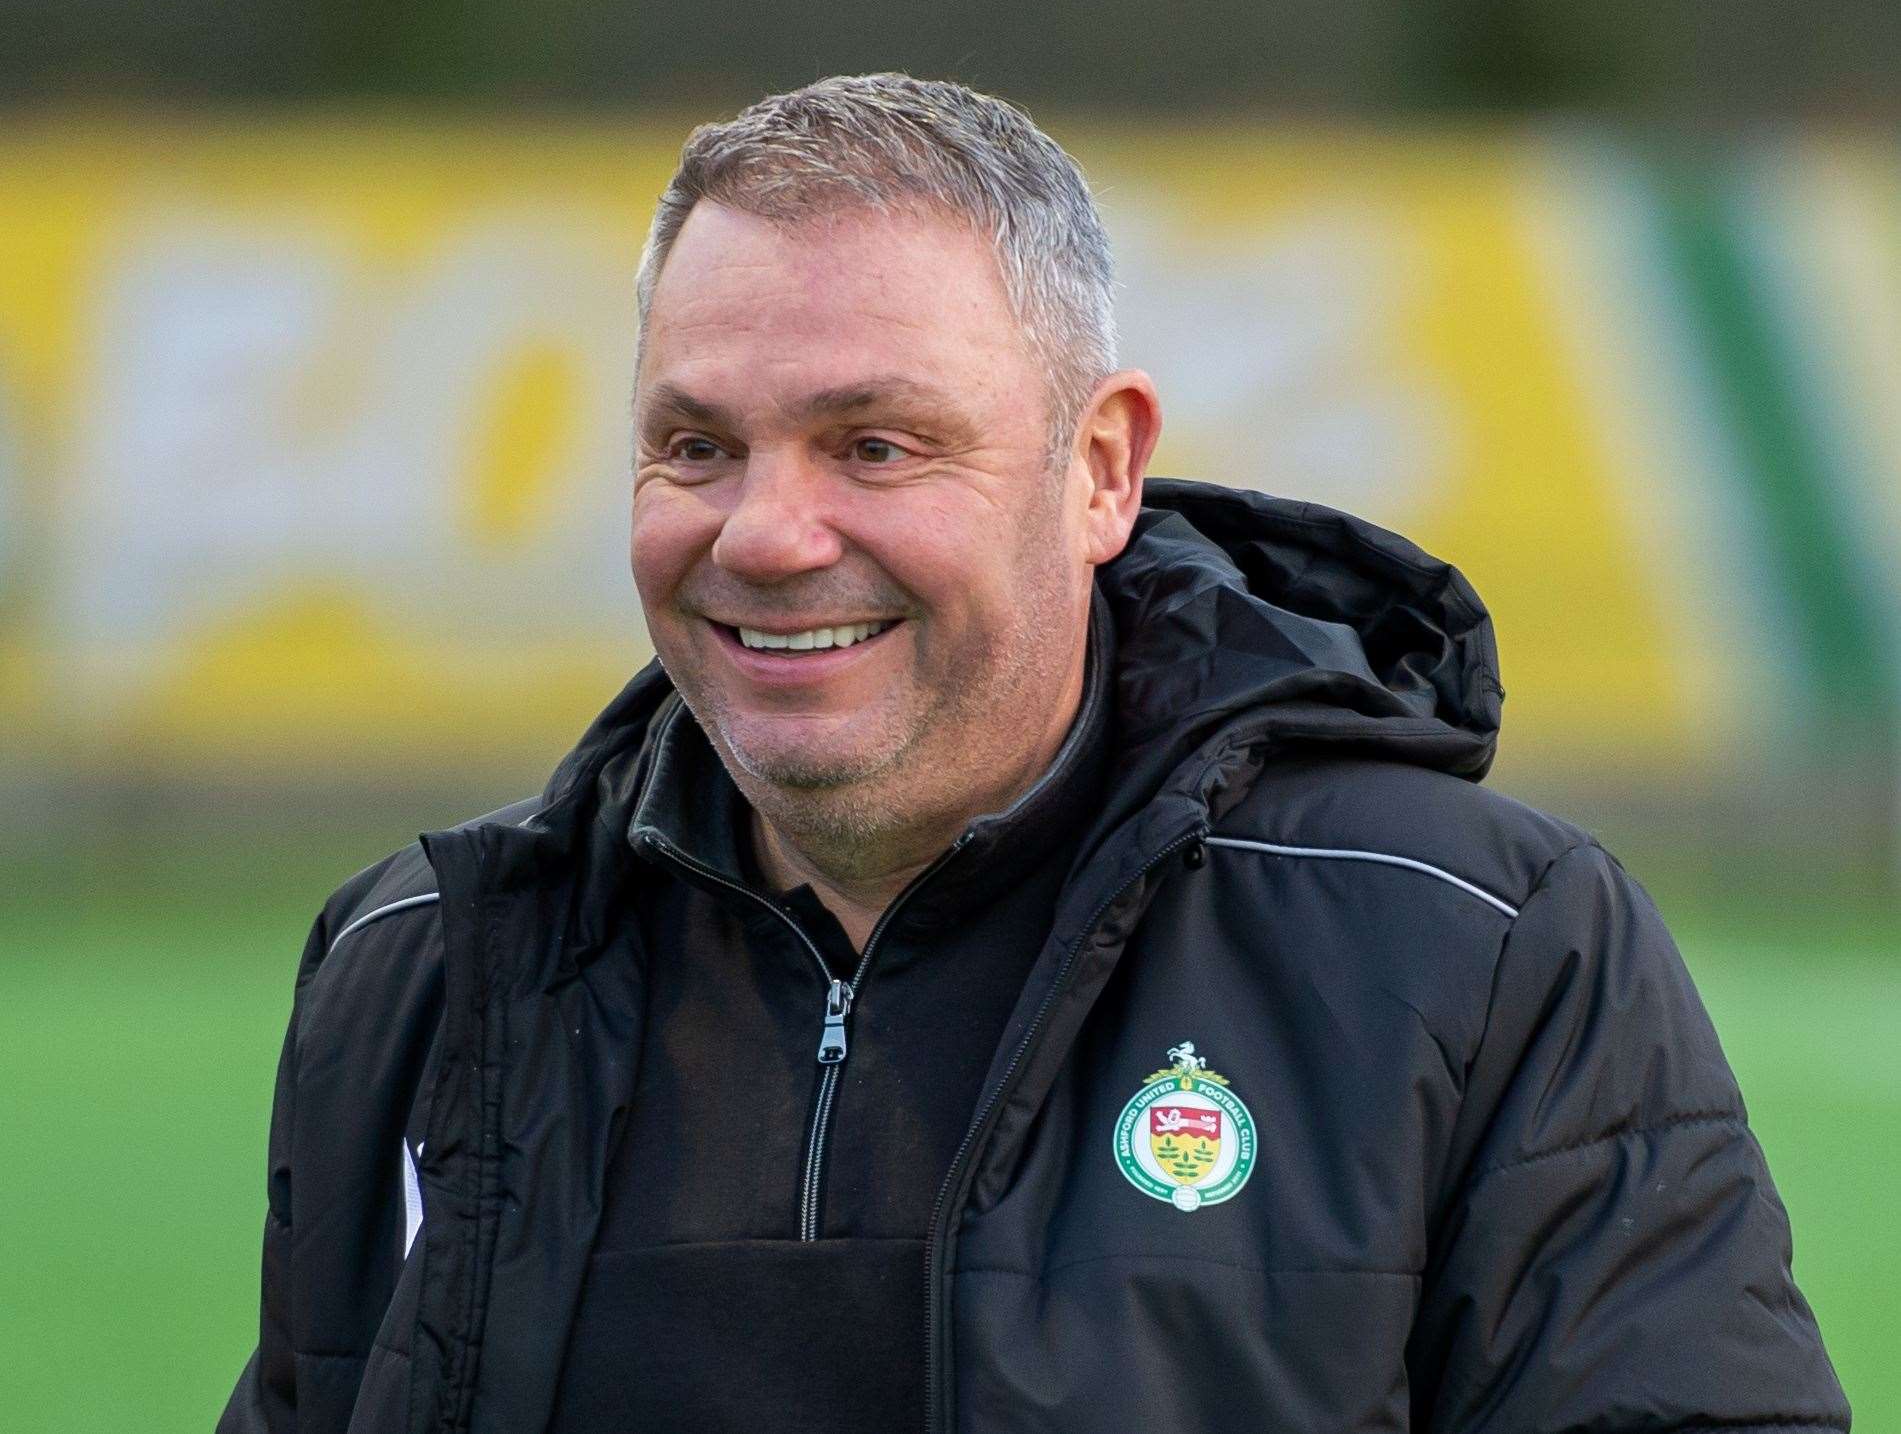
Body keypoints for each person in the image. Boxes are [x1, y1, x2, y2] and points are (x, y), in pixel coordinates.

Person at [220, 74, 1849, 1434]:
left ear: (1098, 470)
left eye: (875, 443)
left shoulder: (1480, 948)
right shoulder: (424, 967)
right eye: (695, 445)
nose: (768, 535)